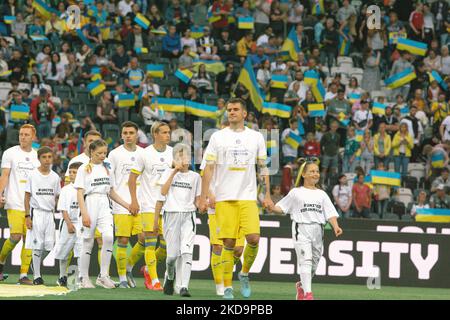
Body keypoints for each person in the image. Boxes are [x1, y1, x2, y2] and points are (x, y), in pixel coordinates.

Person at [199, 98, 274, 299]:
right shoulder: (217, 137)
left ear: (244, 114)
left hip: (248, 197)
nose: (231, 112)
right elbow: (208, 168)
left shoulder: (256, 137)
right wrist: (203, 196)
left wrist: (266, 193)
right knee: (229, 244)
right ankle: (227, 287)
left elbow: (263, 166)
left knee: (253, 238)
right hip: (224, 198)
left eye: (235, 109)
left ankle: (244, 273)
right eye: (229, 110)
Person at [268, 159, 343, 300]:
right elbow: (282, 208)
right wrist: (272, 207)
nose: (316, 174)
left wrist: (336, 226)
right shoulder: (296, 192)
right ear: (303, 174)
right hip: (301, 229)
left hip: (318, 231)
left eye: (317, 171)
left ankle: (302, 286)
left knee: (314, 264)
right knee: (306, 261)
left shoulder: (322, 194)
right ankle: (308, 295)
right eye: (312, 171)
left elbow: (330, 213)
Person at [75, 139, 132, 289]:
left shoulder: (108, 168)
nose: (102, 156)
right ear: (91, 152)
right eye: (99, 153)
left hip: (104, 204)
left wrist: (127, 205)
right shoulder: (84, 169)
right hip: (90, 203)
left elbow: (111, 191)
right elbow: (80, 193)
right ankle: (83, 278)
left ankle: (103, 276)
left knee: (108, 237)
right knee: (87, 241)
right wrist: (84, 213)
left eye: (104, 153)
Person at [128, 121, 173, 291]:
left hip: (168, 205)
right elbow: (132, 179)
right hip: (148, 204)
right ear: (155, 134)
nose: (168, 135)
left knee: (167, 246)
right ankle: (154, 280)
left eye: (169, 132)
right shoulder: (144, 154)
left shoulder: (173, 153)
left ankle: (145, 268)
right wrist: (134, 201)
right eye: (164, 132)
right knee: (150, 241)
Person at [154, 144, 200, 297]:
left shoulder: (195, 177)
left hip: (188, 216)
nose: (183, 159)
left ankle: (183, 287)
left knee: (186, 252)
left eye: (186, 156)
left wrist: (203, 204)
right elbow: (163, 192)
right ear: (174, 159)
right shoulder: (168, 173)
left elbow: (197, 200)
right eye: (179, 156)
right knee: (172, 256)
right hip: (171, 215)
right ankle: (170, 276)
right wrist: (174, 171)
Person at [0, 124, 40, 284]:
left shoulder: (38, 156)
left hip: (32, 205)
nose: (23, 137)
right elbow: (5, 176)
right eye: (21, 134)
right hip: (14, 201)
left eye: (26, 135)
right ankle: (1, 262)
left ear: (33, 137)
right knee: (16, 236)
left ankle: (23, 275)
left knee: (28, 239)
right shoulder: (10, 153)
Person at [108, 122, 145, 289]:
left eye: (131, 132)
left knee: (145, 238)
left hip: (142, 204)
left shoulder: (145, 154)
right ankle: (122, 277)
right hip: (121, 204)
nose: (128, 135)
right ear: (121, 135)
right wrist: (123, 203)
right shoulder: (114, 155)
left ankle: (129, 266)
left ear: (137, 135)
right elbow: (110, 183)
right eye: (125, 133)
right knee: (122, 240)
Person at [24, 147, 61, 285]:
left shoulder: (55, 177)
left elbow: (57, 196)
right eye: (44, 157)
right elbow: (27, 196)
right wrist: (27, 215)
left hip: (50, 214)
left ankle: (35, 264)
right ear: (39, 158)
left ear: (52, 158)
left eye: (49, 157)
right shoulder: (32, 175)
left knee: (50, 246)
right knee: (37, 245)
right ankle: (37, 276)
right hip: (37, 213)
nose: (47, 160)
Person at [54, 161, 83, 287]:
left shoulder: (85, 189)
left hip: (81, 224)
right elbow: (63, 208)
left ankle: (81, 277)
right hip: (67, 223)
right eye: (70, 172)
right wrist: (69, 223)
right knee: (64, 251)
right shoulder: (66, 189)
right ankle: (62, 276)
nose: (71, 175)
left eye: (74, 172)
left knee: (81, 251)